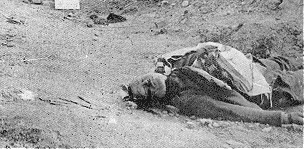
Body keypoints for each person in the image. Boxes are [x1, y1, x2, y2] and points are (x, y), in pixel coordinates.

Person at [126, 43, 304, 126]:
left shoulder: (169, 67)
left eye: (143, 80)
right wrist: (283, 118)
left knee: (288, 61)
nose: (148, 82)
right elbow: (231, 110)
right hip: (268, 88)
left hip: (251, 66)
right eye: (147, 89)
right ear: (155, 99)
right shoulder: (186, 99)